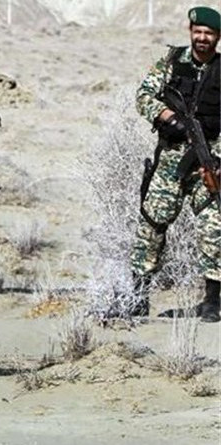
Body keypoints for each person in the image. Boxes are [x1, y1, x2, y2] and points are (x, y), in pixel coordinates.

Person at [128, 6, 220, 322]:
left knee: (215, 226)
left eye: (209, 34)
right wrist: (167, 116)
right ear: (191, 32)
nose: (202, 38)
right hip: (170, 160)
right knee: (152, 223)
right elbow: (143, 96)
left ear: (217, 37)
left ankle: (212, 302)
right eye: (198, 32)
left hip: (209, 163)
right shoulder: (170, 62)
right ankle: (137, 296)